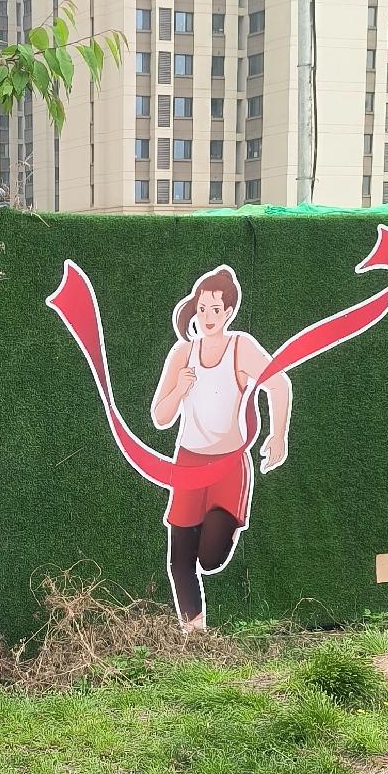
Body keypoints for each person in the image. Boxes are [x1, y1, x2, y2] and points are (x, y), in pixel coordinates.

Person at [150, 266, 291, 629]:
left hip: (228, 466)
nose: (208, 316)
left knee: (210, 558)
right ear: (195, 310)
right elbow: (161, 416)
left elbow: (278, 383)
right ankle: (194, 636)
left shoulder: (240, 346)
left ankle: (219, 539)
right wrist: (180, 389)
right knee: (180, 561)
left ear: (228, 311)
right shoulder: (182, 353)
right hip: (189, 465)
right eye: (202, 308)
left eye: (216, 309)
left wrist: (278, 434)